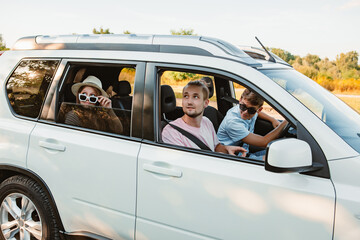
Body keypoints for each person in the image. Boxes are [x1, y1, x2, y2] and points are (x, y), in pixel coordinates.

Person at [162, 80, 247, 156]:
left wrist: (227, 149)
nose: (189, 102)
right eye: (186, 96)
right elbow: (186, 166)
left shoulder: (207, 122)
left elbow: (216, 147)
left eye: (195, 97)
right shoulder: (171, 131)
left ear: (206, 103)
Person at [217, 88, 288, 160]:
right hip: (232, 157)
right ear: (240, 100)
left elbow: (258, 114)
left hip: (245, 150)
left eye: (251, 110)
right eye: (243, 106)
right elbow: (264, 142)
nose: (245, 112)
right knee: (277, 159)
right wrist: (285, 122)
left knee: (281, 153)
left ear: (259, 110)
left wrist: (273, 120)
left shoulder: (250, 110)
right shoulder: (233, 122)